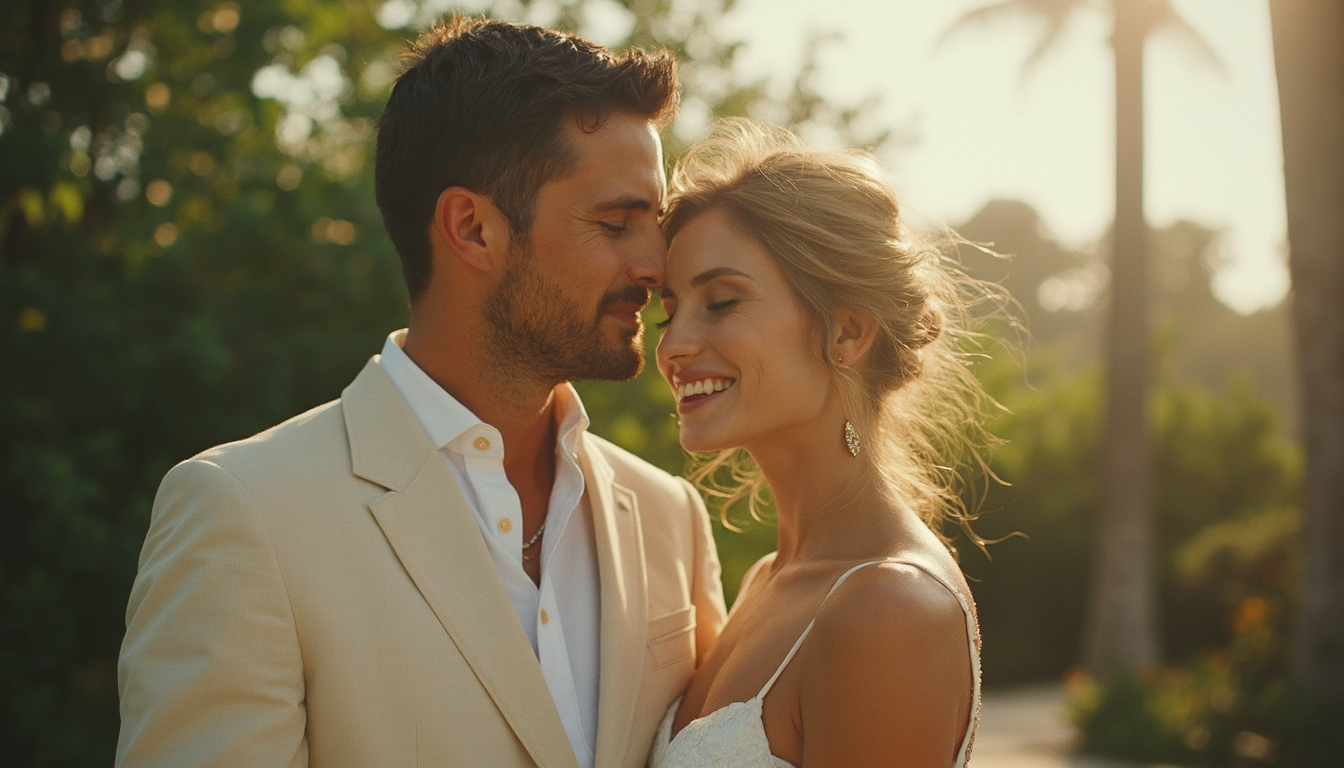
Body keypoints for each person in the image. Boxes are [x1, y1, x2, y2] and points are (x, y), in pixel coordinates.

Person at [116, 16, 726, 768]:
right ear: (471, 229)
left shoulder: (671, 516)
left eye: (656, 223)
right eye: (615, 222)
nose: (655, 264)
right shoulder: (245, 515)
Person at [647, 119, 986, 768]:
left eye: (719, 301)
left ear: (849, 332)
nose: (671, 345)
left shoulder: (890, 610)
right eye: (669, 310)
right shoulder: (763, 583)